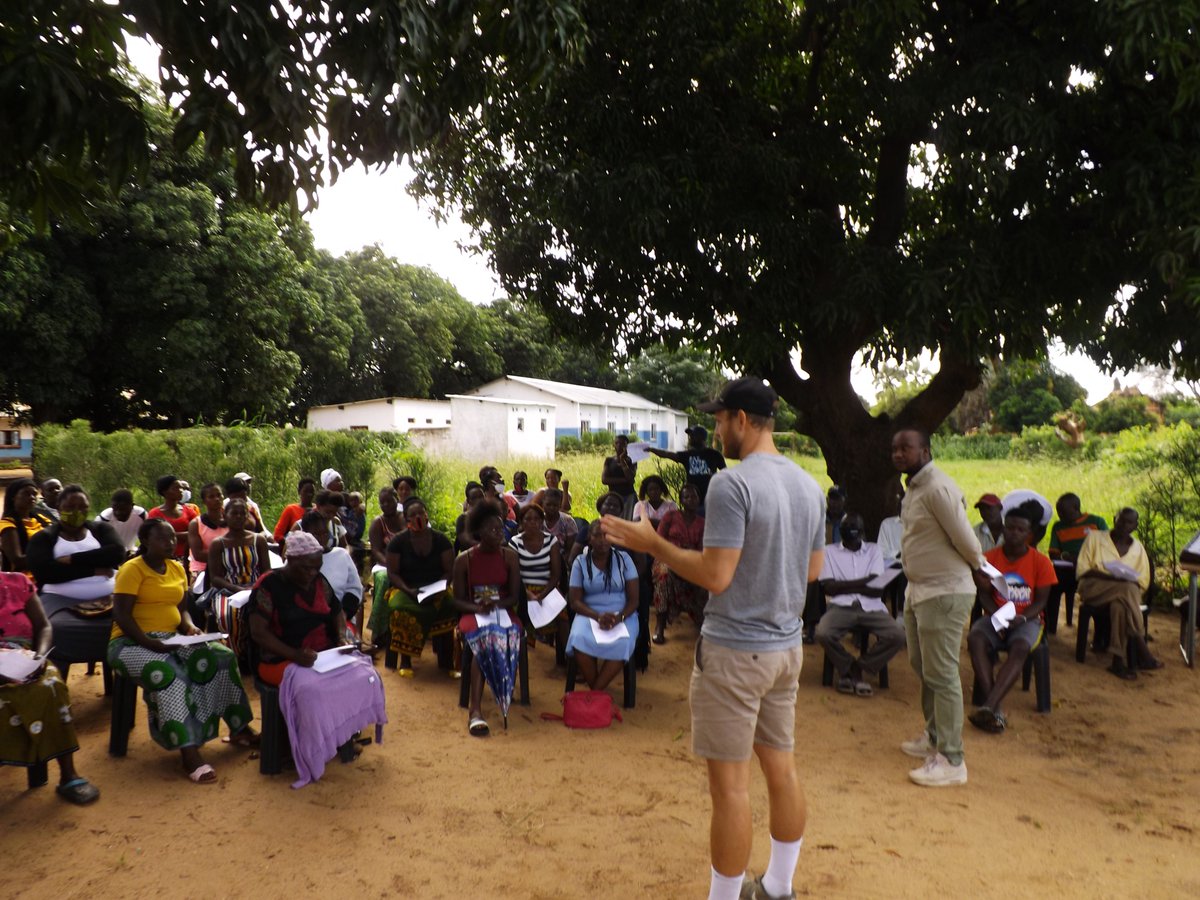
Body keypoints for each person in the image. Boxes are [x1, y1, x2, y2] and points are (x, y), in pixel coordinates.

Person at [603, 376, 824, 900]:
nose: (717, 429)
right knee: (782, 770)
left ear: (741, 421)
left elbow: (716, 576)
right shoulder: (808, 485)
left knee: (730, 790)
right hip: (785, 651)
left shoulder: (732, 483)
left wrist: (651, 542)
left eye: (720, 419)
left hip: (734, 655)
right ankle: (779, 886)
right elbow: (813, 570)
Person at [109, 518, 256, 783]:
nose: (171, 543)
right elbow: (121, 615)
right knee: (169, 674)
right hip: (130, 643)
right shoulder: (132, 570)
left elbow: (182, 609)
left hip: (172, 638)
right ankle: (189, 753)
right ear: (145, 542)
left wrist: (189, 628)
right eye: (162, 538)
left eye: (172, 538)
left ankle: (239, 729)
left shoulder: (177, 568)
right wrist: (148, 642)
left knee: (221, 657)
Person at [247, 530, 386, 787]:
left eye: (316, 567)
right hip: (279, 660)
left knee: (365, 675)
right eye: (308, 568)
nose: (313, 573)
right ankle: (310, 749)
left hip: (323, 654)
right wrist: (294, 655)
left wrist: (343, 639)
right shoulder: (268, 586)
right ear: (291, 560)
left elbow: (336, 613)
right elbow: (258, 633)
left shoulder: (318, 581)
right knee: (312, 689)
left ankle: (339, 737)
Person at [891, 428, 987, 788]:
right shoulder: (914, 488)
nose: (899, 453)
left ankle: (951, 758)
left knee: (943, 672)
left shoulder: (937, 488)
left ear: (926, 451)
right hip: (919, 592)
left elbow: (966, 539)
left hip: (944, 592)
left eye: (907, 447)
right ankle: (933, 737)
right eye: (895, 448)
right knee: (923, 665)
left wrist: (980, 570)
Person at [0, 571, 100, 804]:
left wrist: (39, 656)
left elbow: (44, 626)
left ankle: (68, 775)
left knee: (52, 685)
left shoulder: (18, 582)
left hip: (24, 657)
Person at [967, 504, 1056, 733]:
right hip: (997, 616)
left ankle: (989, 705)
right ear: (1003, 529)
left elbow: (1041, 600)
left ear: (1029, 534)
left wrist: (1022, 618)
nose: (1014, 533)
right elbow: (984, 595)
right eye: (1010, 527)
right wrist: (996, 614)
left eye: (1020, 529)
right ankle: (993, 707)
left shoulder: (1041, 562)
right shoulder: (989, 558)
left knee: (1020, 648)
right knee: (976, 638)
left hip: (1028, 620)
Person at [26, 485, 125, 679]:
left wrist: (72, 559)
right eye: (71, 506)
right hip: (58, 598)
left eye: (83, 507)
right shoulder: (44, 538)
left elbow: (116, 554)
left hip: (108, 598)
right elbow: (46, 572)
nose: (77, 512)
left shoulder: (100, 529)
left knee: (130, 622)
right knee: (55, 629)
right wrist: (94, 569)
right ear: (59, 506)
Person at [815, 512, 907, 697]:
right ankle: (849, 666)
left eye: (855, 528)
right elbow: (829, 589)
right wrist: (864, 581)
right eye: (847, 528)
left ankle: (858, 668)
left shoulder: (874, 550)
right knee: (823, 633)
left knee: (897, 636)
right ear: (841, 531)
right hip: (841, 606)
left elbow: (876, 590)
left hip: (872, 606)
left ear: (863, 531)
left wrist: (844, 584)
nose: (851, 532)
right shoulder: (829, 552)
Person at [452, 501, 521, 737]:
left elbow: (513, 596)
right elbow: (457, 600)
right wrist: (476, 607)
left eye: (501, 529)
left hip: (501, 611)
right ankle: (475, 710)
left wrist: (497, 604)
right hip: (474, 614)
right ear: (479, 532)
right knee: (486, 638)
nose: (499, 533)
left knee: (505, 634)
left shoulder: (510, 557)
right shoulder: (464, 560)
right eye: (493, 530)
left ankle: (502, 694)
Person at [1075, 507, 1162, 679]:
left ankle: (1117, 661)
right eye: (1120, 520)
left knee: (1120, 606)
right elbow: (1083, 570)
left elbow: (1142, 582)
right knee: (1127, 589)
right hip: (1094, 588)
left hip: (1125, 596)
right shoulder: (1095, 538)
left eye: (1129, 522)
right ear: (1114, 519)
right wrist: (1114, 577)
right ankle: (1141, 645)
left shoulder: (1138, 549)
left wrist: (1124, 581)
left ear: (1135, 526)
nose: (1123, 524)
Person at [381, 497, 454, 676]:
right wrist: (409, 591)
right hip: (405, 588)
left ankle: (446, 660)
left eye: (421, 513)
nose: (418, 517)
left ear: (427, 515)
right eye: (413, 515)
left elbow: (449, 570)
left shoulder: (441, 539)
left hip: (436, 588)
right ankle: (406, 660)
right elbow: (393, 573)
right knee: (399, 608)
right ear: (406, 519)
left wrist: (439, 589)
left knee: (450, 605)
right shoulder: (398, 542)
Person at [566, 519, 639, 690]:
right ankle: (598, 693)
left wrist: (619, 617)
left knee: (624, 642)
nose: (602, 540)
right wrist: (597, 616)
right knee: (578, 638)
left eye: (607, 535)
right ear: (589, 539)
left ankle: (595, 693)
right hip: (589, 613)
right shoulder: (580, 562)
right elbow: (575, 601)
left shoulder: (624, 560)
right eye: (597, 535)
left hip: (622, 614)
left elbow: (634, 600)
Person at [650, 483, 707, 645]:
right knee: (664, 574)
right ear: (681, 500)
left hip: (691, 561)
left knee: (706, 579)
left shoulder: (702, 523)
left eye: (694, 496)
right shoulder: (671, 516)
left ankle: (703, 621)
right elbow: (658, 540)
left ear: (698, 499)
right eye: (686, 497)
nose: (691, 500)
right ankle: (660, 626)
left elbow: (703, 549)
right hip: (666, 557)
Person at [510, 502, 566, 658]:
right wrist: (528, 594)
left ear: (542, 522)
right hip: (522, 590)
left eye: (536, 519)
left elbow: (556, 574)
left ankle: (569, 660)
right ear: (521, 522)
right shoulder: (515, 542)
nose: (532, 522)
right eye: (528, 519)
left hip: (546, 589)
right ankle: (515, 658)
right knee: (513, 617)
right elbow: (514, 575)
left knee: (563, 616)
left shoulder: (551, 541)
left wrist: (542, 595)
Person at [1046, 493, 1108, 632]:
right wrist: (1066, 557)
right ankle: (1050, 627)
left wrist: (1082, 559)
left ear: (1076, 508)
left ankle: (1100, 633)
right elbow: (1053, 553)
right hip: (1068, 570)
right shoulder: (1058, 526)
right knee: (1051, 584)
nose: (1060, 514)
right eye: (1058, 511)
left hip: (1091, 570)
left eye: (1063, 511)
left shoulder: (1096, 522)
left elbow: (1107, 547)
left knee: (1099, 593)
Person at [298, 510, 364, 624]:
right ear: (305, 534)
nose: (322, 538)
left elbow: (354, 589)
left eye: (325, 533)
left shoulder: (341, 555)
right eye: (316, 534)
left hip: (341, 618)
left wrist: (343, 614)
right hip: (305, 621)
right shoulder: (297, 561)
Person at [366, 486, 405, 656]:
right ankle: (379, 632)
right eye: (382, 502)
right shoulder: (377, 523)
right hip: (384, 565)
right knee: (383, 579)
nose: (385, 505)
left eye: (389, 501)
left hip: (406, 564)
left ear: (397, 499)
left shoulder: (405, 519)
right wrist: (391, 565)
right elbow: (376, 551)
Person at [648, 425, 727, 504]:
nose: (690, 438)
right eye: (689, 435)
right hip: (692, 500)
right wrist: (651, 449)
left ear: (701, 437)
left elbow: (725, 474)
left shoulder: (715, 454)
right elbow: (667, 454)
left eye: (693, 435)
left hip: (711, 498)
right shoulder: (687, 455)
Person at [1, 478, 53, 576]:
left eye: (34, 494)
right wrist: (51, 556)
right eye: (26, 493)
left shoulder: (42, 520)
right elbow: (17, 560)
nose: (32, 497)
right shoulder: (7, 524)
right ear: (13, 496)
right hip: (25, 581)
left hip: (48, 575)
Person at [147, 474, 198, 562]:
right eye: (176, 488)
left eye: (181, 488)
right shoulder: (154, 513)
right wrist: (186, 534)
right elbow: (153, 536)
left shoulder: (189, 511)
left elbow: (198, 532)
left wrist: (171, 535)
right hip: (164, 558)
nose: (181, 491)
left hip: (188, 558)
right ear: (165, 492)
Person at [186, 483, 227, 581]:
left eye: (219, 495)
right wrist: (229, 556)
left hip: (230, 566)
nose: (217, 499)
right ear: (204, 501)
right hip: (203, 569)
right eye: (211, 497)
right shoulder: (196, 524)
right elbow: (198, 554)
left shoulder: (232, 519)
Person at [95, 489, 147, 557]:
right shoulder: (103, 519)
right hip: (109, 555)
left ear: (132, 506)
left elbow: (148, 538)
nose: (118, 513)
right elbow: (96, 545)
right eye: (115, 509)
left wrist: (138, 553)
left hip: (131, 553)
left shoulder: (141, 515)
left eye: (123, 510)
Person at [601, 435, 638, 517]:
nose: (619, 446)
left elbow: (630, 477)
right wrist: (625, 480)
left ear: (627, 446)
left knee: (628, 520)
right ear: (614, 445)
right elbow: (604, 480)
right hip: (613, 496)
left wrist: (622, 460)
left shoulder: (632, 460)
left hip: (629, 497)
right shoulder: (609, 460)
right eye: (617, 443)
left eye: (622, 444)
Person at [273, 478, 317, 545]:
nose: (309, 494)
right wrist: (291, 544)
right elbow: (278, 535)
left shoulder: (317, 509)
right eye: (306, 491)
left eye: (311, 491)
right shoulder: (291, 509)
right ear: (299, 491)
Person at [454, 482, 487, 553]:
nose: (479, 500)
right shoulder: (463, 519)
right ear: (468, 501)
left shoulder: (491, 517)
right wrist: (487, 547)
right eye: (474, 498)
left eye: (481, 496)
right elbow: (466, 542)